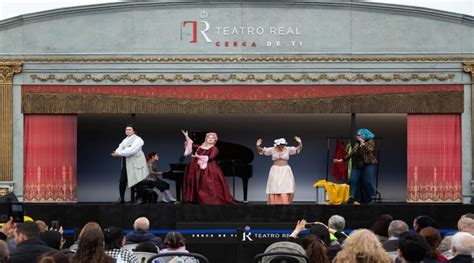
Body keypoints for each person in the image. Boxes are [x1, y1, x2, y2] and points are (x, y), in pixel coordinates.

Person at [182, 130, 235, 204]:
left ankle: (208, 199)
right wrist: (186, 136)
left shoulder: (214, 149)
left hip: (209, 168)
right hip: (195, 168)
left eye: (212, 138)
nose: (210, 139)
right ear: (205, 139)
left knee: (207, 183)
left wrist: (197, 156)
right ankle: (195, 198)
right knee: (196, 182)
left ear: (215, 140)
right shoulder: (200, 147)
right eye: (208, 137)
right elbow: (191, 145)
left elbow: (210, 157)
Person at [334, 128, 377, 204]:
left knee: (368, 181)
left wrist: (363, 143)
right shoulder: (357, 143)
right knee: (353, 180)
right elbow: (352, 153)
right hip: (358, 163)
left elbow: (369, 151)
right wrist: (341, 160)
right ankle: (351, 197)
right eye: (357, 135)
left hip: (368, 164)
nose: (357, 136)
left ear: (364, 135)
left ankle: (373, 196)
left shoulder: (371, 141)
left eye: (359, 135)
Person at [256, 136, 303, 205]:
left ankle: (285, 203)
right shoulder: (272, 149)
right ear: (278, 144)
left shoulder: (287, 149)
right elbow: (261, 150)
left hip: (285, 170)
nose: (283, 146)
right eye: (281, 144)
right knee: (274, 186)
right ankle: (274, 204)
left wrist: (300, 142)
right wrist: (258, 145)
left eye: (283, 144)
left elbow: (298, 148)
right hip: (275, 170)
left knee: (286, 186)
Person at [111, 124, 149, 204]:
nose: (127, 131)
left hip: (136, 162)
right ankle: (121, 198)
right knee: (122, 180)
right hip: (126, 161)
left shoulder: (138, 139)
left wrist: (119, 153)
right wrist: (117, 152)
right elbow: (120, 147)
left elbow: (132, 150)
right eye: (126, 130)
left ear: (134, 131)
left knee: (138, 180)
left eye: (129, 129)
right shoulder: (125, 140)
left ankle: (140, 198)